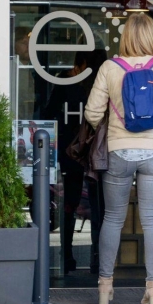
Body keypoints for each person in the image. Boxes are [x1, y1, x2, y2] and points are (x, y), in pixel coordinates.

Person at [85, 13, 153, 304]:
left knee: (113, 220)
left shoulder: (109, 68)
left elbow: (92, 113)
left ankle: (105, 288)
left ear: (126, 36)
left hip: (118, 152)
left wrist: (111, 127)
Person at [43, 44, 107, 275]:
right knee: (100, 208)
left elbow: (47, 113)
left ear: (81, 65)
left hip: (70, 152)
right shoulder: (104, 84)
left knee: (69, 204)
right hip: (98, 155)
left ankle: (66, 258)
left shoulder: (66, 82)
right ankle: (98, 261)